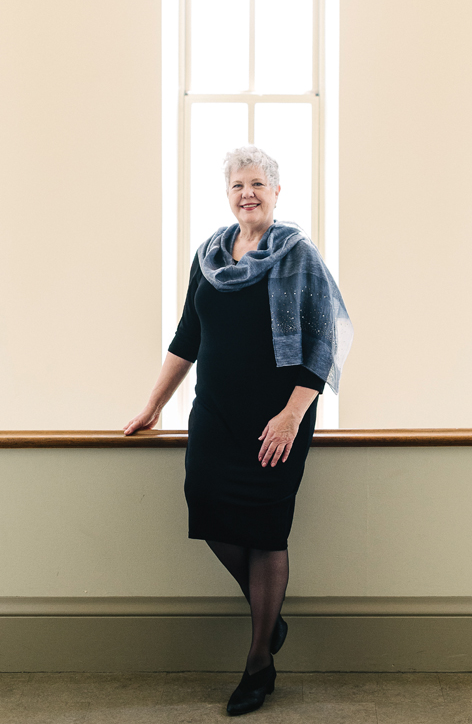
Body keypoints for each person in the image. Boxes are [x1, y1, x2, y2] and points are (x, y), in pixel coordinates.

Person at [124, 145, 352, 716]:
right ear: (228, 196)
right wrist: (153, 404)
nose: (246, 193)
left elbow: (322, 345)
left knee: (267, 532)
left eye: (256, 184)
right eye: (236, 186)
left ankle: (258, 663)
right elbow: (186, 339)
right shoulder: (209, 256)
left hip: (279, 417)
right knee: (205, 502)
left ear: (277, 192)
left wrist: (291, 414)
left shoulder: (299, 257)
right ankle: (269, 616)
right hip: (217, 413)